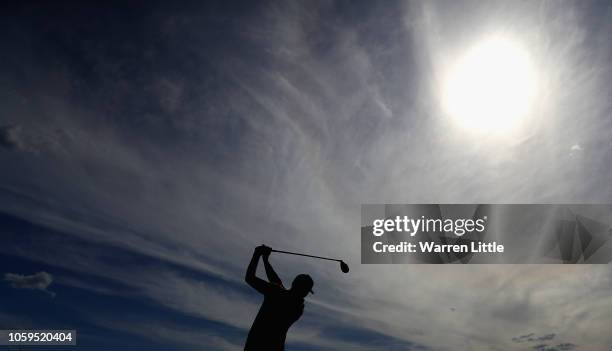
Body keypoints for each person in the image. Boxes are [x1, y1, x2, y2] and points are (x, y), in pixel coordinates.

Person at [244, 245, 314, 351]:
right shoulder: (298, 307)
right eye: (306, 290)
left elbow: (249, 277)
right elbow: (277, 282)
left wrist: (257, 254)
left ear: (294, 283)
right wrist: (265, 260)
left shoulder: (277, 293)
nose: (305, 294)